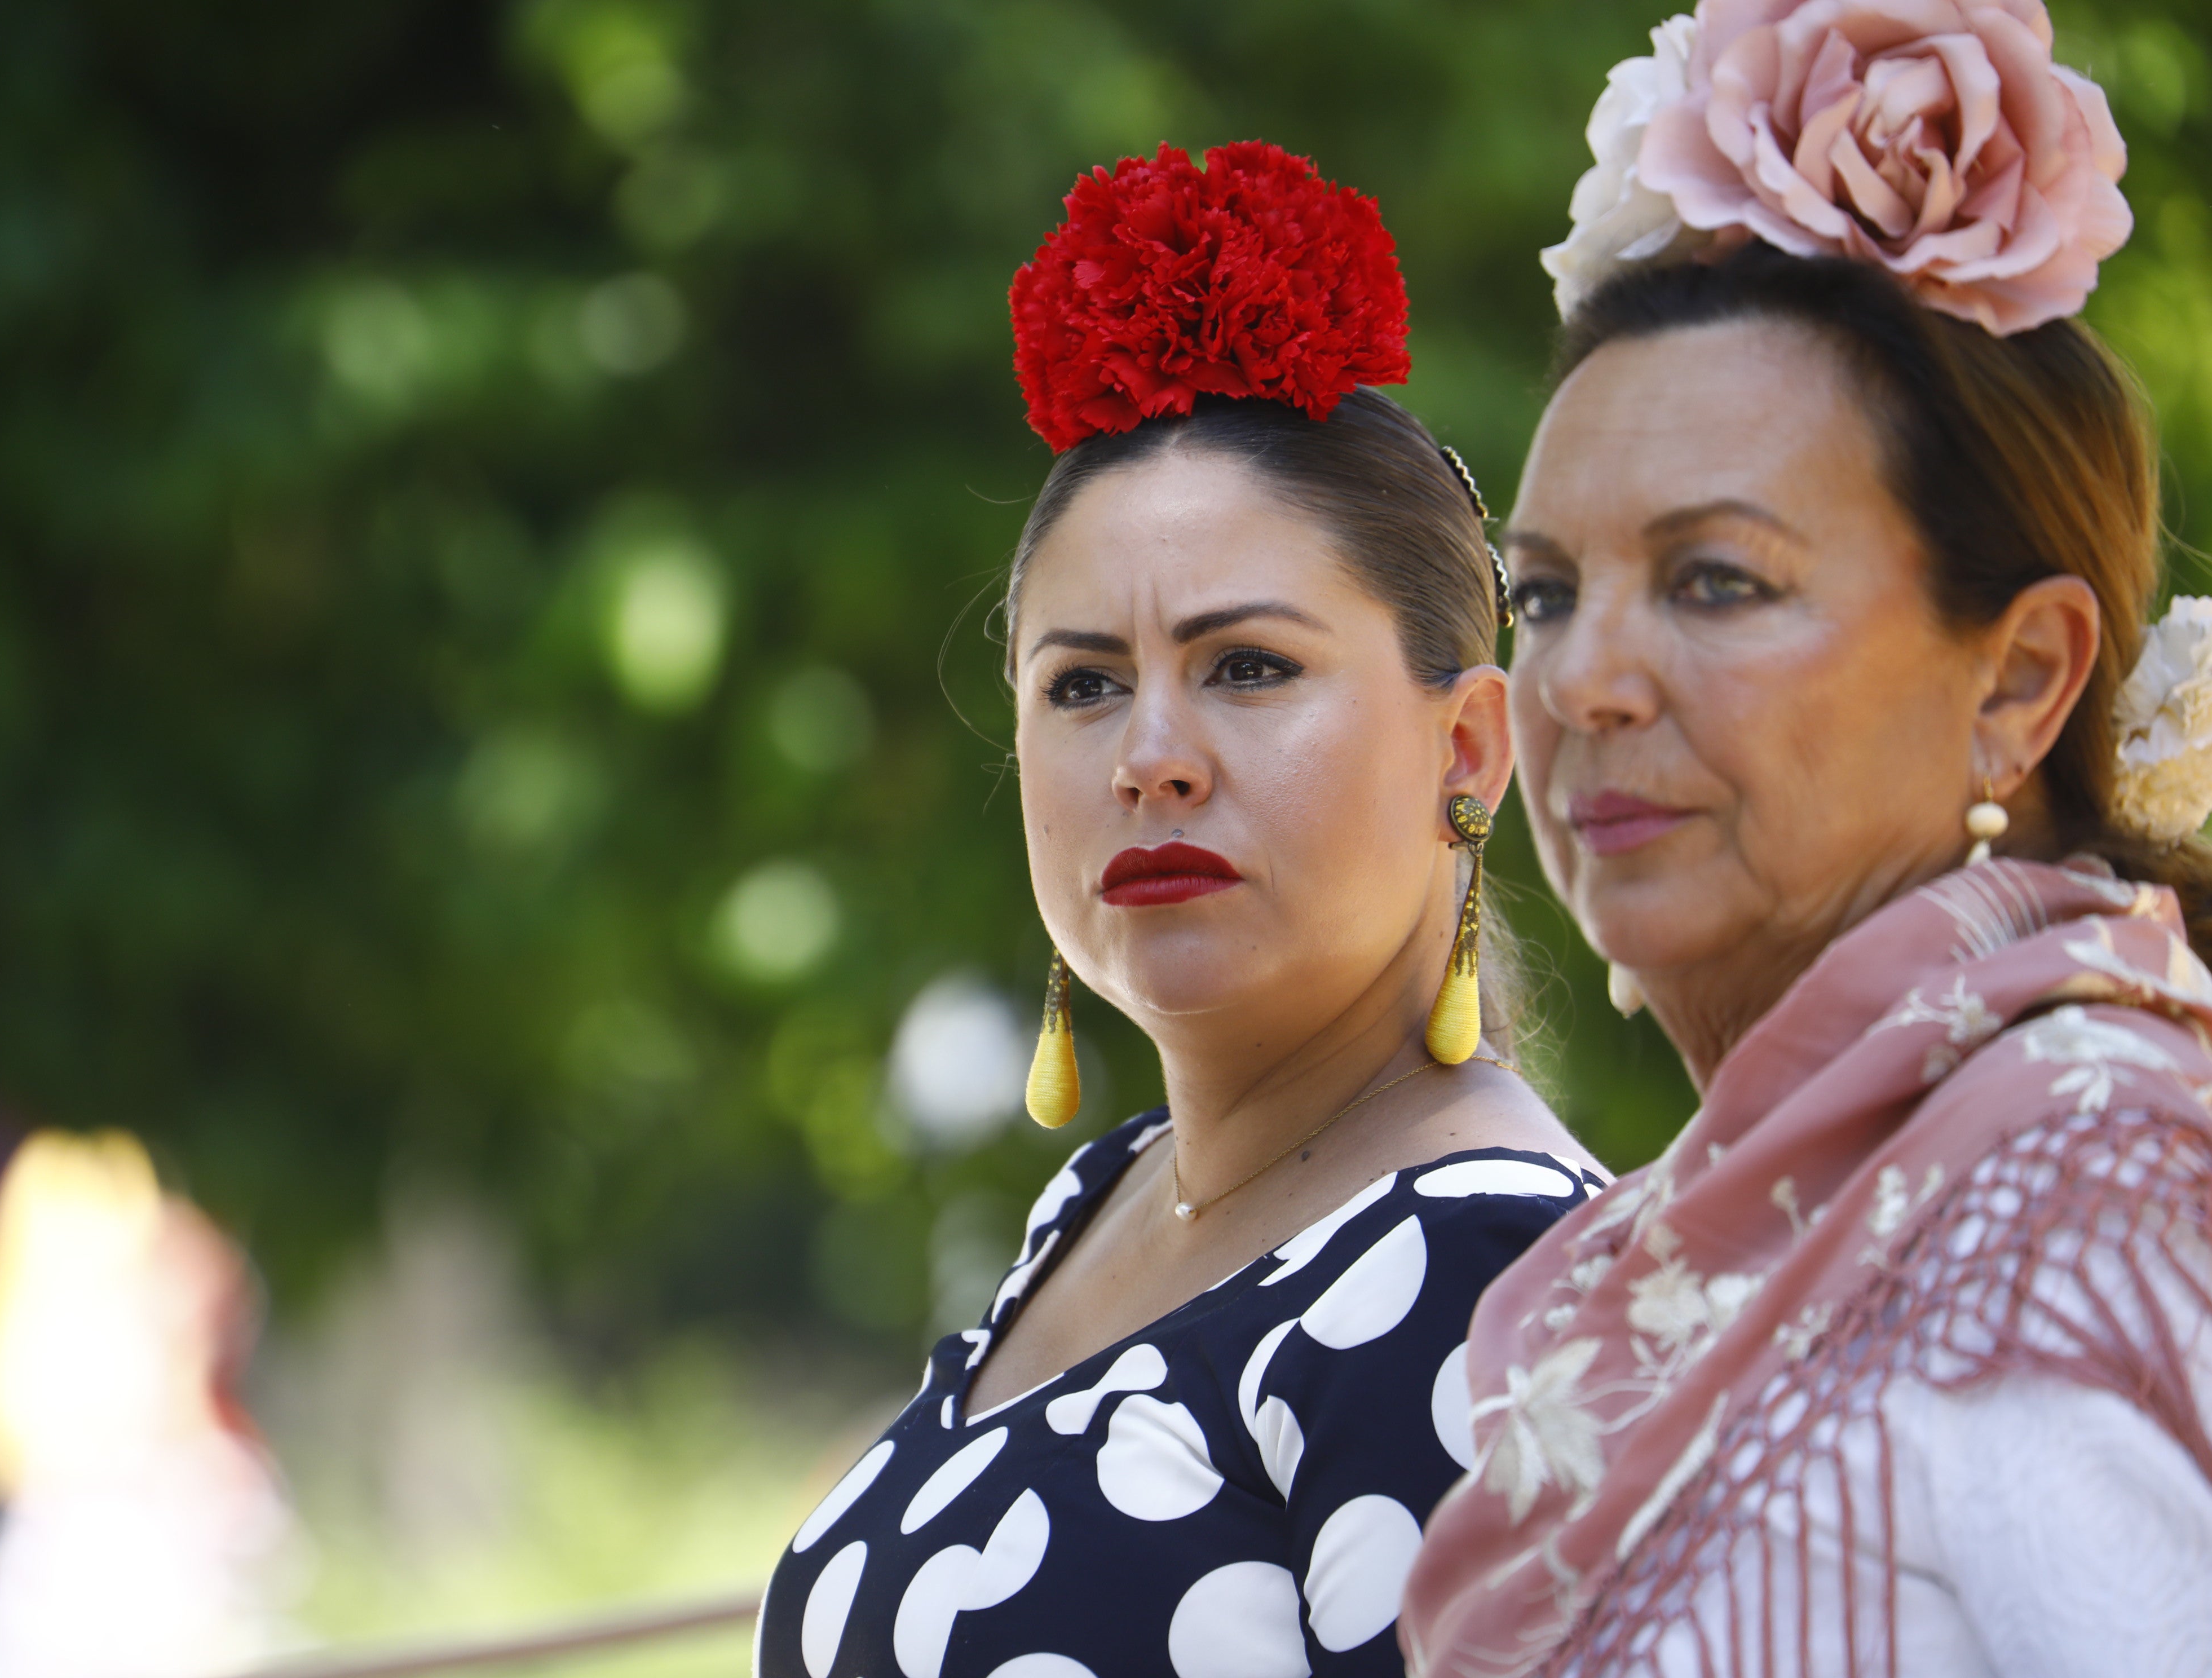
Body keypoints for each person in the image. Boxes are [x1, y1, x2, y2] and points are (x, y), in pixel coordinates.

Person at [1400, 5, 2212, 1676]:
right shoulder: (1734, 1218)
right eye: (1544, 593)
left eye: (1718, 582)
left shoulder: (2079, 1172)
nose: (1581, 681)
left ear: (2022, 680)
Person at [757, 142, 1601, 1678]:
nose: (1150, 758)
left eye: (1249, 667)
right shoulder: (1103, 1197)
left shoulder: (1497, 1277)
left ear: (1468, 748)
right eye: (1082, 686)